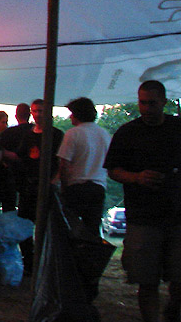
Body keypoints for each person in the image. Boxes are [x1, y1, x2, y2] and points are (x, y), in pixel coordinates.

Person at [104, 80, 181, 322]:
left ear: (164, 102)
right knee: (146, 280)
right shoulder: (127, 133)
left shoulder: (177, 128)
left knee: (179, 279)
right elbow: (113, 170)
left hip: (177, 216)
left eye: (152, 103)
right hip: (143, 218)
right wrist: (136, 177)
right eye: (142, 103)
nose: (146, 108)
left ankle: (172, 312)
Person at [9, 99, 64, 277]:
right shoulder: (28, 135)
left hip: (47, 187)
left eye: (40, 111)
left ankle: (45, 262)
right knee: (25, 225)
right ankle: (29, 261)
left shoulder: (56, 135)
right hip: (29, 186)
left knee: (46, 225)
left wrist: (54, 180)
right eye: (35, 111)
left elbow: (61, 162)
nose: (37, 114)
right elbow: (20, 156)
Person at [57, 97, 110, 236]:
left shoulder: (73, 134)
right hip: (98, 188)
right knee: (92, 229)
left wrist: (63, 187)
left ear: (78, 114)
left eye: (72, 113)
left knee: (70, 229)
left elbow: (64, 164)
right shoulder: (104, 134)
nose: (70, 116)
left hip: (76, 187)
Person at [0, 110, 16, 214]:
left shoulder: (5, 138)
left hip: (2, 178)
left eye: (6, 122)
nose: (5, 125)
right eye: (3, 122)